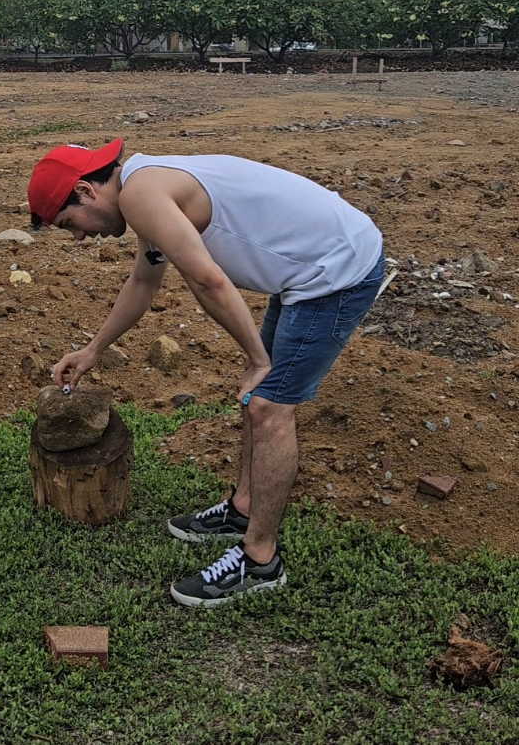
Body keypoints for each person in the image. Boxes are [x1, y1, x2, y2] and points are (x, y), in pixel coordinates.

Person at [28, 138, 384, 607]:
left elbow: (208, 279)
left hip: (335, 273)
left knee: (268, 406)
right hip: (305, 273)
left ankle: (260, 561)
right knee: (259, 394)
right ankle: (244, 508)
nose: (78, 237)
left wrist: (259, 360)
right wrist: (95, 349)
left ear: (84, 191)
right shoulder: (142, 185)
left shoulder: (140, 194)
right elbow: (143, 281)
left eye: (69, 223)